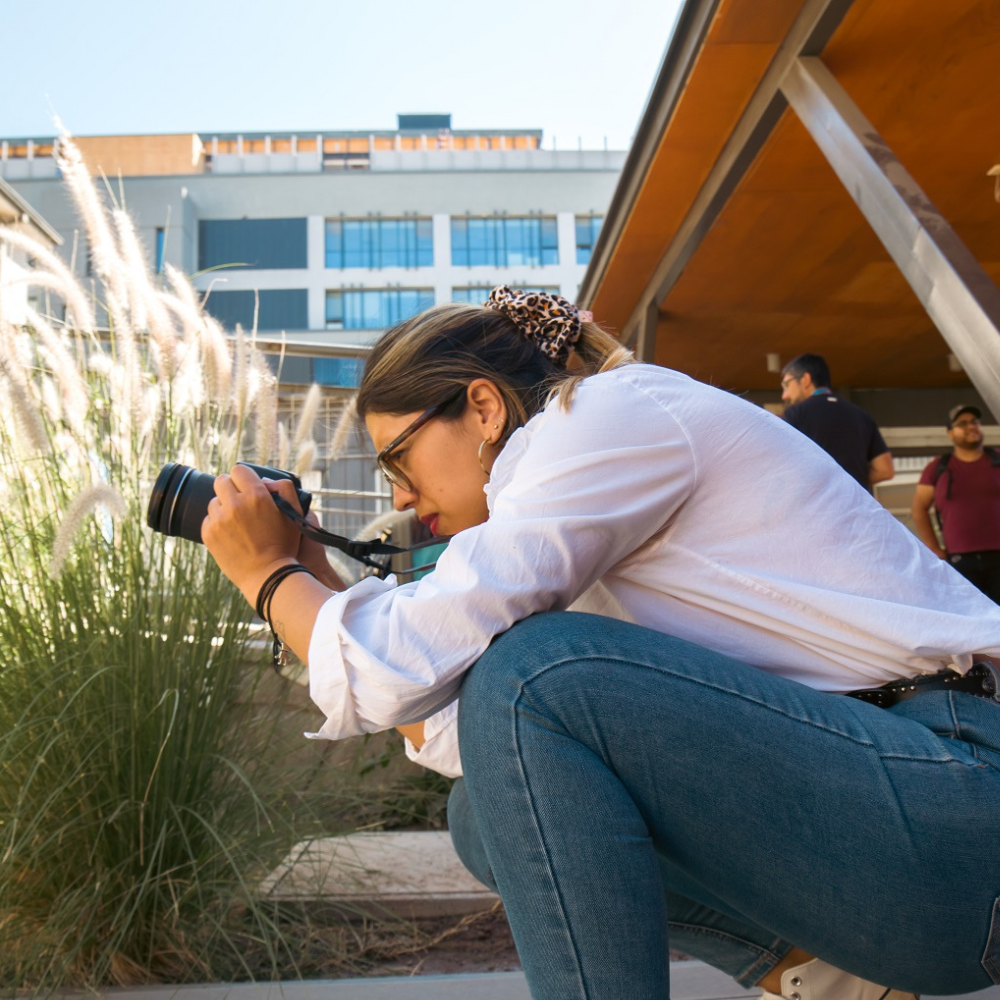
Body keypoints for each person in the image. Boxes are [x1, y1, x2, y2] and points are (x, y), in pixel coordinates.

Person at [202, 287, 1000, 1000]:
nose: (399, 496)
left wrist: (269, 580)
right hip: (908, 854)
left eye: (397, 457)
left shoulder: (605, 419)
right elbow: (465, 737)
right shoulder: (571, 524)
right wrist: (307, 572)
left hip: (963, 794)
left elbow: (426, 677)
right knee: (484, 810)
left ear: (482, 408)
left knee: (533, 678)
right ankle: (834, 977)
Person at [911, 403, 1000, 604]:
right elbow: (919, 508)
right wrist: (934, 548)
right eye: (963, 423)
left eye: (975, 422)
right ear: (950, 433)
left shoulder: (997, 459)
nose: (971, 426)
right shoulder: (937, 468)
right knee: (970, 617)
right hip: (959, 560)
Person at [780, 353, 894, 492]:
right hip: (857, 507)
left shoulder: (795, 414)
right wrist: (850, 480)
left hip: (817, 508)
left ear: (805, 379)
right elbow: (885, 470)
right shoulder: (862, 415)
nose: (784, 395)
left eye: (786, 384)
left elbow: (780, 466)